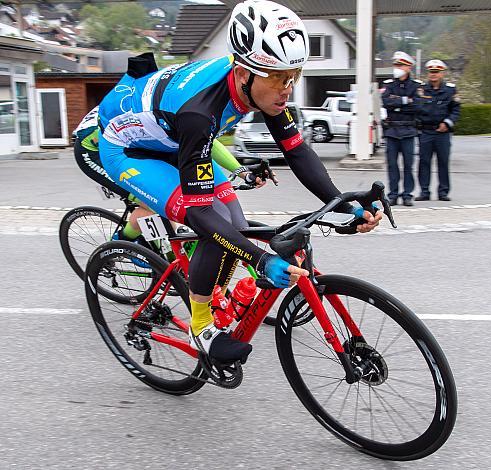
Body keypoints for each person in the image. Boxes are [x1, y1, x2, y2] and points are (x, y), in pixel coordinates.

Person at [96, 0, 382, 365]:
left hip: (173, 139)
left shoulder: (262, 87)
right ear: (244, 72)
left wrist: (347, 205)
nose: (287, 89)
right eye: (280, 78)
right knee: (212, 222)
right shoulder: (201, 112)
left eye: (294, 76)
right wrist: (261, 260)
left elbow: (297, 154)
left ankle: (212, 292)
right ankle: (202, 328)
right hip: (130, 151)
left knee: (234, 215)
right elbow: (202, 216)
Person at [72, 105, 264, 244]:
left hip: (141, 140)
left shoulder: (182, 110)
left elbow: (207, 142)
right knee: (149, 202)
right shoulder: (160, 114)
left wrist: (241, 171)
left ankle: (167, 241)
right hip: (96, 151)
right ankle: (124, 242)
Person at [415, 59, 460, 202]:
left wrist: (447, 123)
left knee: (443, 162)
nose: (433, 75)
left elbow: (456, 110)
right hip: (426, 131)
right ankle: (424, 191)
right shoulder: (421, 90)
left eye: (436, 72)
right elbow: (416, 109)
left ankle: (443, 192)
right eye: (431, 72)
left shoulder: (450, 90)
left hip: (443, 133)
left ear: (442, 73)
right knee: (424, 162)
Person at [381, 51, 422, 206]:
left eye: (400, 65)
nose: (396, 67)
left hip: (408, 131)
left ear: (408, 67)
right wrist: (406, 101)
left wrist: (397, 102)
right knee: (392, 165)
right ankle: (393, 194)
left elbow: (418, 106)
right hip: (392, 131)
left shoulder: (416, 86)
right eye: (395, 64)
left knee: (408, 165)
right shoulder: (389, 85)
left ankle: (407, 194)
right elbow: (386, 102)